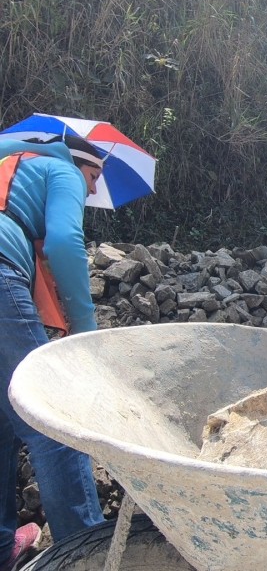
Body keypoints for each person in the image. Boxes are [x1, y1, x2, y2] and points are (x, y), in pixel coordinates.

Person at [0, 134, 106, 570]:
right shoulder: (60, 167)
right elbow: (64, 242)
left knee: (5, 419)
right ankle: (88, 555)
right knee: (53, 422)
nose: (94, 189)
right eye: (94, 175)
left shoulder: (12, 167)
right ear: (77, 161)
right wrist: (86, 332)